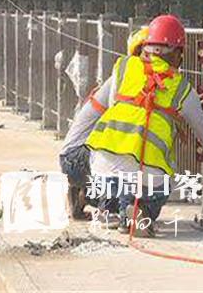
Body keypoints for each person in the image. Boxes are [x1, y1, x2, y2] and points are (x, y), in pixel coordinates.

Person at [62, 15, 203, 236]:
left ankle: (116, 209)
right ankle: (141, 212)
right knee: (160, 184)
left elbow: (113, 109)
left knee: (113, 177)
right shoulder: (182, 89)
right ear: (177, 53)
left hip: (103, 168)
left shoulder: (123, 68)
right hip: (148, 179)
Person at [59, 26, 150, 222]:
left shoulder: (130, 78)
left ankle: (83, 195)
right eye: (148, 52)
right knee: (122, 157)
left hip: (74, 157)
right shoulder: (125, 79)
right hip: (77, 157)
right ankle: (104, 207)